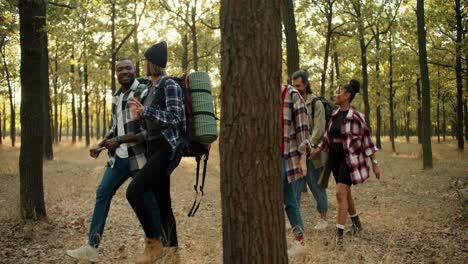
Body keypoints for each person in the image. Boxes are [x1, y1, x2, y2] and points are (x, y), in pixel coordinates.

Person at [66, 60, 164, 262]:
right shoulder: (116, 97)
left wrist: (118, 140)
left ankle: (160, 245)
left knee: (146, 201)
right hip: (118, 160)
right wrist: (101, 144)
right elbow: (115, 127)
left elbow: (148, 131)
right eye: (120, 69)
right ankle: (91, 247)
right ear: (116, 73)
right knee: (102, 193)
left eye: (128, 68)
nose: (124, 72)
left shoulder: (145, 91)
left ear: (135, 70)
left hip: (138, 158)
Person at [126, 41, 186, 264]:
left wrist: (147, 110)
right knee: (163, 203)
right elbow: (151, 124)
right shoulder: (150, 88)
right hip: (152, 147)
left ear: (153, 63)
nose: (142, 64)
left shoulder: (169, 85)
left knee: (133, 191)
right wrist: (139, 117)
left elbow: (175, 119)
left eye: (145, 60)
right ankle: (173, 253)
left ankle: (154, 241)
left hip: (166, 148)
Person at [310, 79, 381, 247]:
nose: (336, 94)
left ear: (347, 95)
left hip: (349, 160)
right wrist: (316, 149)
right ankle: (356, 224)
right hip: (334, 159)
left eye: (339, 92)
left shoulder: (357, 117)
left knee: (340, 193)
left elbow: (367, 141)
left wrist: (375, 163)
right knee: (345, 193)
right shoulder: (334, 114)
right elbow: (327, 138)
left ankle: (339, 238)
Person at [291, 70, 329, 231]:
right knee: (294, 189)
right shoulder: (293, 102)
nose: (296, 89)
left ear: (306, 84)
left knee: (317, 187)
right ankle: (295, 221)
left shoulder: (316, 103)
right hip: (298, 155)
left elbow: (319, 128)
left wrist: (308, 144)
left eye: (298, 85)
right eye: (293, 86)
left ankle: (323, 219)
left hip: (314, 155)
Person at [281, 82, 310, 255]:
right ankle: (300, 240)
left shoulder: (292, 95)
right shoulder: (264, 95)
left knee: (288, 200)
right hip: (267, 157)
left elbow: (303, 130)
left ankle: (299, 242)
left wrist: (303, 159)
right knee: (290, 200)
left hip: (286, 157)